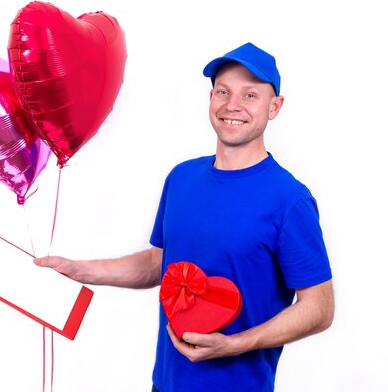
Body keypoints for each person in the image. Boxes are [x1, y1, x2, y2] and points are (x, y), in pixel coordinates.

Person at [34, 42, 335, 392]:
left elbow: (319, 307)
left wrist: (237, 343)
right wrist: (81, 270)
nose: (232, 105)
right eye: (223, 91)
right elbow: (158, 262)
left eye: (250, 95)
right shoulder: (181, 178)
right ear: (210, 99)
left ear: (275, 107)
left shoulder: (290, 200)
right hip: (164, 385)